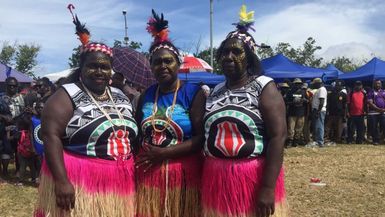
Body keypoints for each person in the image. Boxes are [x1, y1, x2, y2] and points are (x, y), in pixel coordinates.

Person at [35, 6, 138, 216]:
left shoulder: (118, 94)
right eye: (93, 66)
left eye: (104, 67)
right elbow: (50, 135)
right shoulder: (67, 94)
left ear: (111, 69)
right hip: (81, 179)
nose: (99, 71)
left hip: (120, 180)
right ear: (81, 68)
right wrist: (62, 180)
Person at [201, 5, 287, 217]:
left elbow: (278, 136)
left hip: (252, 176)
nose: (228, 57)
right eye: (224, 52)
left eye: (237, 52)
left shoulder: (263, 86)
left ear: (249, 57)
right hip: (216, 177)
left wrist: (267, 187)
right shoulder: (215, 91)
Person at [135, 10, 205, 217]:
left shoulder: (194, 93)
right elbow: (139, 133)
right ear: (151, 67)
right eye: (157, 62)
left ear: (178, 63)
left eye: (168, 61)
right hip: (149, 174)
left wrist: (165, 153)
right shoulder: (146, 95)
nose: (162, 66)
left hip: (184, 174)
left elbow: (201, 137)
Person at [286, 78, 308, 147]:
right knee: (291, 129)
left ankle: (296, 141)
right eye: (296, 84)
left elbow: (307, 101)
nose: (298, 85)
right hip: (292, 113)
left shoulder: (303, 92)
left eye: (299, 84)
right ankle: (290, 141)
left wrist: (304, 100)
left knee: (299, 128)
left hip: (301, 113)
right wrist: (293, 102)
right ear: (294, 84)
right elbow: (286, 102)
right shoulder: (290, 92)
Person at [326, 80, 347, 145]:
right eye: (337, 86)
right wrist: (327, 111)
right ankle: (327, 138)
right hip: (331, 113)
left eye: (339, 86)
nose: (338, 87)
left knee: (339, 127)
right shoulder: (331, 94)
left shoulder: (343, 95)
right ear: (335, 86)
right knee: (328, 127)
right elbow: (328, 103)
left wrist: (345, 115)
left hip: (340, 113)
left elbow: (345, 105)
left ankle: (338, 139)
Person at [310, 78, 327, 147]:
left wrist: (318, 111)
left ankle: (320, 142)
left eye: (314, 84)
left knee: (319, 126)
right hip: (317, 110)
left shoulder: (322, 89)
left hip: (319, 110)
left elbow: (321, 101)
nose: (313, 85)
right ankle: (318, 141)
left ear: (318, 83)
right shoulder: (319, 90)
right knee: (317, 126)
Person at [366, 80, 385, 145]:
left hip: (382, 113)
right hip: (373, 113)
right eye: (376, 84)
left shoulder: (384, 92)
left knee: (383, 125)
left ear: (381, 84)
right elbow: (370, 103)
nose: (377, 85)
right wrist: (378, 109)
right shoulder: (371, 92)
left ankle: (382, 139)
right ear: (374, 84)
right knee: (374, 127)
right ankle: (375, 140)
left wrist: (383, 110)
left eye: (379, 83)